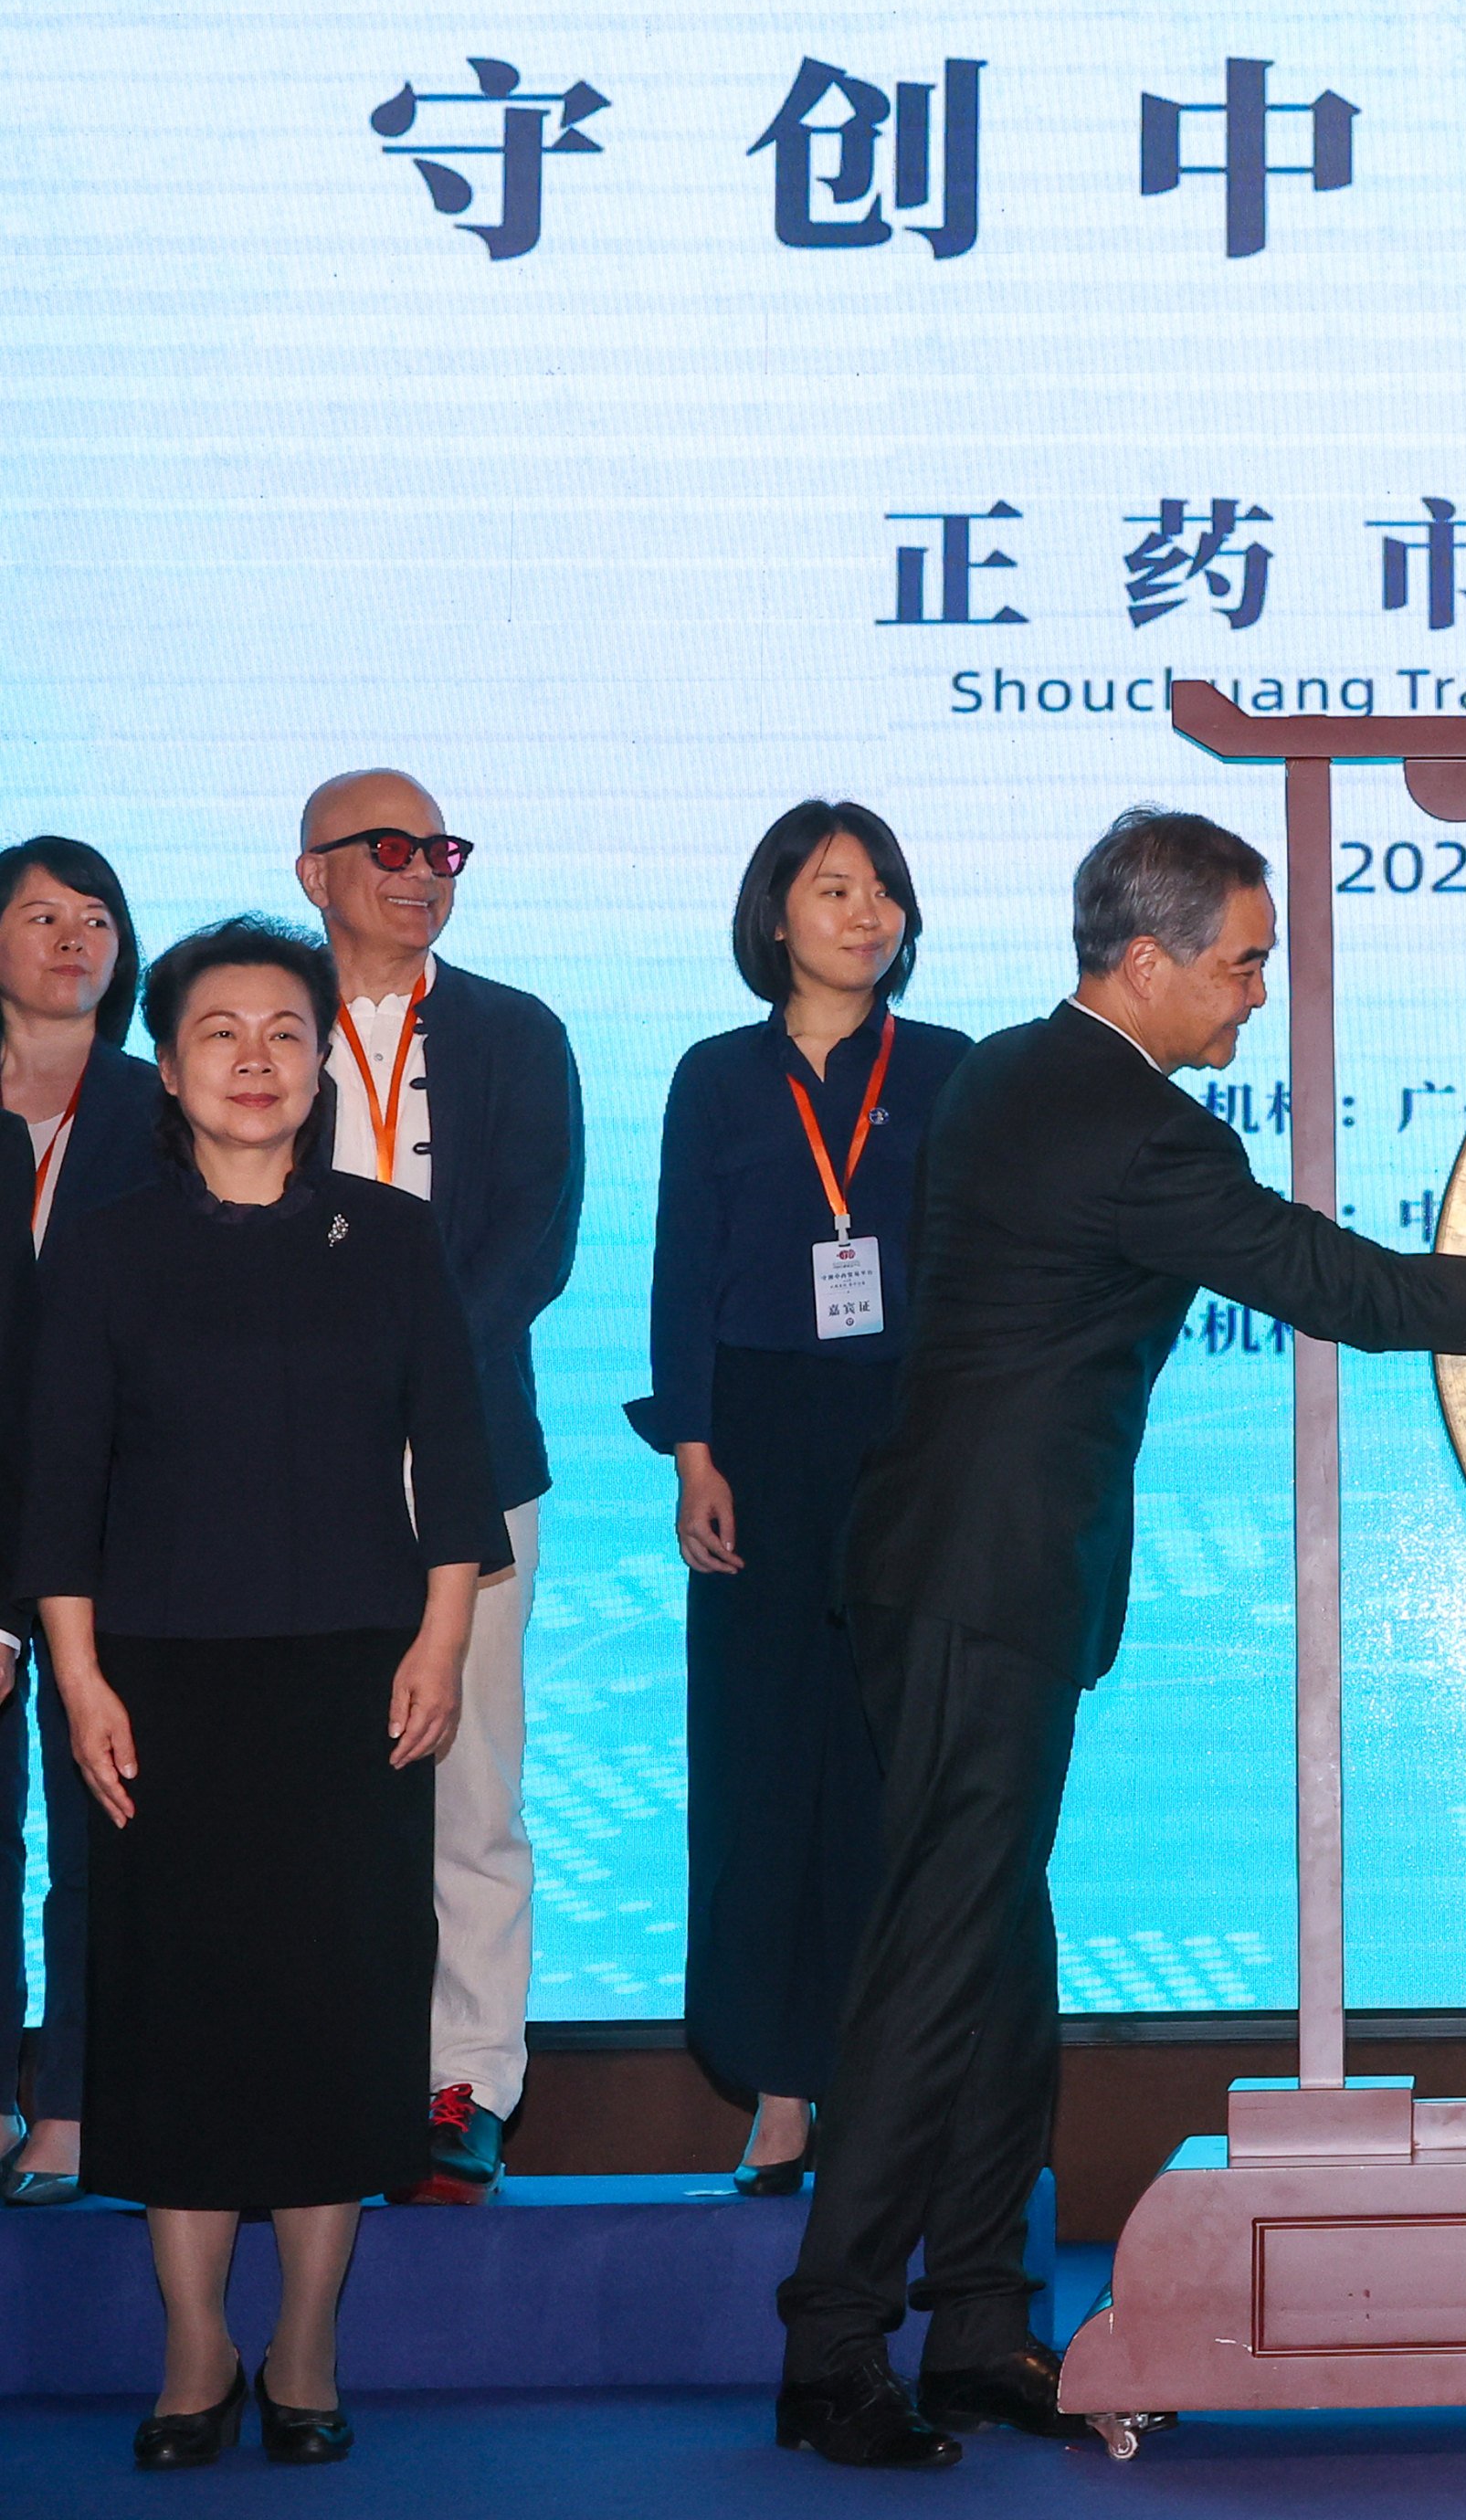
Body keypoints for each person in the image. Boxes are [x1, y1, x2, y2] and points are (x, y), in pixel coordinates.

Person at [771, 807, 1466, 2467]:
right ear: (1145, 957)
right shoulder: (1131, 1132)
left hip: (971, 1571)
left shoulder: (1009, 1073)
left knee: (1001, 1954)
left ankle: (983, 2324)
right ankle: (831, 2345)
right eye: (1241, 964)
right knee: (943, 1954)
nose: (1254, 999)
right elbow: (1362, 1293)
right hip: (980, 1582)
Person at [22, 916, 506, 2468]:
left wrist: (440, 1642)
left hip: (356, 1686)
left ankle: (303, 2340)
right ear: (169, 1063)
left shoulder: (393, 1235)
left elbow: (458, 1456)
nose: (256, 1058)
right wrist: (81, 1679)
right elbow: (58, 1487)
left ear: (320, 1064)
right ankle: (189, 2345)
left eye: (286, 1031)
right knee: (179, 2020)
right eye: (221, 1030)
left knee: (332, 2009)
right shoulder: (104, 1248)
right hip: (158, 1691)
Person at [629, 804, 970, 2193]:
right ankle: (777, 2087)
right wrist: (695, 1454)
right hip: (758, 1442)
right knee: (764, 1764)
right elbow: (681, 1266)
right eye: (835, 889)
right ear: (775, 914)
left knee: (898, 1768)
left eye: (884, 888)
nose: (866, 913)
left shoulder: (951, 1069)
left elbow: (973, 1273)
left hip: (907, 1435)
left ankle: (891, 2089)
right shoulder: (716, 1076)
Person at [292, 768, 582, 2203]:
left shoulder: (515, 1034)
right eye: (389, 849)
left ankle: (462, 2078)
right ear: (315, 873)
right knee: (303, 1788)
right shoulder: (262, 1017)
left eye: (441, 850)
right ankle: (319, 2073)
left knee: (470, 1785)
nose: (421, 871)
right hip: (271, 1471)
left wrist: (392, 1370)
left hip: (465, 1460)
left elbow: (533, 1252)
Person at [0, 837, 164, 2209]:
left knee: (106, 1820)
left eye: (96, 917)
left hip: (125, 1526)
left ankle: (71, 2106)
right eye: (43, 915)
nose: (73, 939)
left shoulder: (155, 1105)